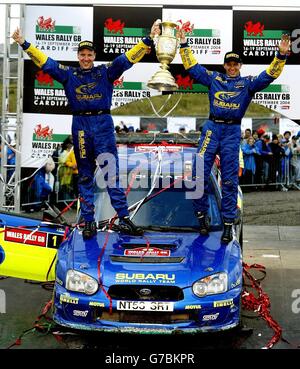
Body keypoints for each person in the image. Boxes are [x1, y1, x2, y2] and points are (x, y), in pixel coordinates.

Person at [12, 22, 161, 239]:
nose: (85, 58)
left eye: (89, 54)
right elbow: (46, 62)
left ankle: (124, 218)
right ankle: (88, 221)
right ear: (78, 56)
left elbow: (127, 59)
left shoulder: (105, 72)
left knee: (111, 174)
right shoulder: (69, 74)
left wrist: (148, 39)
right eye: (82, 54)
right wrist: (24, 43)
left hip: (102, 124)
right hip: (80, 126)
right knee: (84, 176)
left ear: (94, 55)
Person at [177, 26, 290, 243]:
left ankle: (228, 223)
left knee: (229, 180)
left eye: (235, 64)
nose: (231, 67)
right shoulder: (214, 78)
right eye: (228, 64)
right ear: (224, 65)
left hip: (231, 131)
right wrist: (183, 45)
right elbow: (192, 67)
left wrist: (281, 56)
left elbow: (269, 76)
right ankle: (201, 217)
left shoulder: (247, 83)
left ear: (240, 66)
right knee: (198, 173)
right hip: (212, 128)